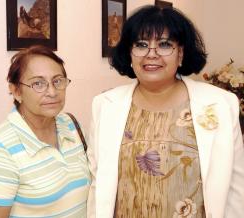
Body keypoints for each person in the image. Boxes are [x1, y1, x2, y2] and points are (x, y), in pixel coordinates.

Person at [87, 5, 244, 218]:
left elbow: (236, 188)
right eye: (141, 45)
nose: (152, 54)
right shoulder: (105, 105)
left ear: (180, 54)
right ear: (129, 54)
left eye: (164, 44)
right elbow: (97, 183)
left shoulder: (221, 104)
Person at [0, 45, 90, 217]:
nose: (52, 92)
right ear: (16, 91)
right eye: (38, 84)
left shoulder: (70, 124)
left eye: (57, 81)